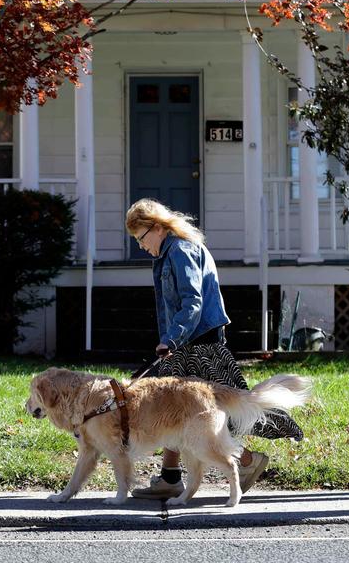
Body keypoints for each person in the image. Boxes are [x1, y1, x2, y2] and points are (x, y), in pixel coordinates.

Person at [124, 198, 303, 500]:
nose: (141, 246)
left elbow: (192, 302)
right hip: (183, 342)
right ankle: (170, 477)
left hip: (199, 344)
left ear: (156, 228)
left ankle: (247, 461)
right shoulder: (172, 250)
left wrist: (172, 338)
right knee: (173, 411)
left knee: (227, 408)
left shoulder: (180, 250)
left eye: (141, 238)